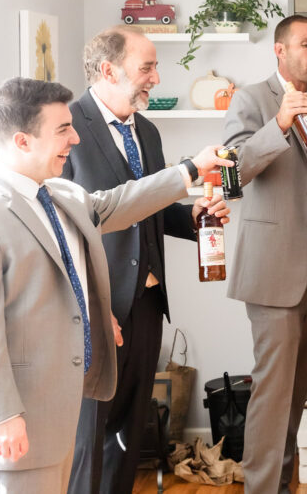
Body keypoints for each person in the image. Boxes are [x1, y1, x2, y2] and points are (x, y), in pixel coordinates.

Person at [0, 77, 229, 494]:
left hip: (59, 415)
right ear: (22, 141)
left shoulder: (61, 194)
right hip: (13, 426)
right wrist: (1, 415)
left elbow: (121, 203)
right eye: (63, 129)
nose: (76, 137)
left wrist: (189, 171)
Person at [66, 27, 229, 494]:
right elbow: (72, 227)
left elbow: (150, 209)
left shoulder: (148, 131)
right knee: (89, 437)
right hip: (102, 311)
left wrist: (195, 217)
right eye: (147, 67)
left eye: (155, 66)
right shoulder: (69, 129)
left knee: (127, 435)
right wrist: (92, 312)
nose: (156, 78)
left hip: (149, 305)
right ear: (108, 70)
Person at [222, 14, 307, 493]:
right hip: (275, 268)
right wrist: (279, 124)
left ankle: (283, 486)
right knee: (272, 395)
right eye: (306, 44)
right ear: (280, 50)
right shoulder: (251, 99)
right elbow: (231, 175)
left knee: (295, 395)